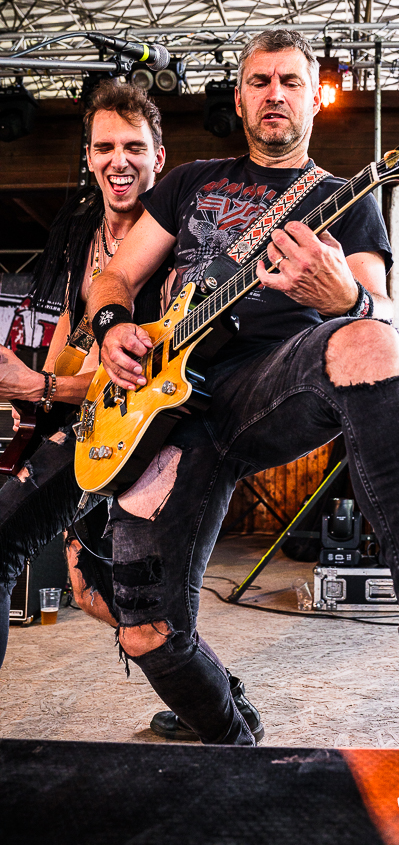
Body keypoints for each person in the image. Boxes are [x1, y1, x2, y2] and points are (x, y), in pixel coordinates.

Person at [88, 29, 399, 819]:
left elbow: (380, 309)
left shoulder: (346, 198)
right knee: (146, 629)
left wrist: (343, 297)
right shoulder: (193, 182)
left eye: (289, 81)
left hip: (273, 383)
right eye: (258, 80)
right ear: (238, 97)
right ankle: (231, 734)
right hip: (163, 411)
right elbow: (115, 275)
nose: (274, 93)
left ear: (317, 98)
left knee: (369, 340)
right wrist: (112, 327)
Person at [0, 79, 263, 743]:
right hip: (91, 430)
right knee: (97, 592)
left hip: (156, 436)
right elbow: (74, 339)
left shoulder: (173, 243)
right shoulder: (85, 236)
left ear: (158, 157)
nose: (118, 161)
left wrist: (38, 388)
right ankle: (210, 690)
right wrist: (38, 406)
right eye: (104, 147)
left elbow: (145, 375)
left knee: (140, 606)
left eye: (134, 147)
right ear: (88, 157)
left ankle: (219, 706)